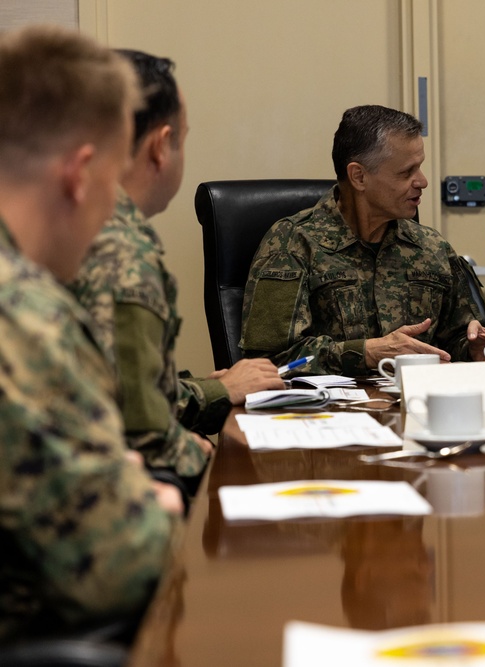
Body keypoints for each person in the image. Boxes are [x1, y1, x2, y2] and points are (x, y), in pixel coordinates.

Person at [0, 26, 179, 642]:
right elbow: (118, 566)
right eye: (111, 186)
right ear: (79, 176)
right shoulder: (24, 317)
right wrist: (152, 507)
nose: (111, 215)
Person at [71, 50, 284, 487]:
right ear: (159, 147)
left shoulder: (63, 225)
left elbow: (118, 384)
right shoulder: (120, 252)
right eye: (183, 139)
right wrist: (200, 455)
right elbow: (145, 439)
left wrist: (209, 390)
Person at [241, 104, 485, 376]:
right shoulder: (292, 244)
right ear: (359, 176)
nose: (422, 181)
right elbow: (268, 362)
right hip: (329, 415)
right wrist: (364, 353)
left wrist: (473, 348)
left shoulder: (431, 248)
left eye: (420, 168)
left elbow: (458, 339)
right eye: (406, 172)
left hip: (416, 410)